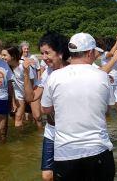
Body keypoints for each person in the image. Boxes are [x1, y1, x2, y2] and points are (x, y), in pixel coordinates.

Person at [41, 33, 115, 180]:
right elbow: (108, 108)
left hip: (65, 153)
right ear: (89, 52)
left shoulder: (54, 77)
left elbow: (45, 109)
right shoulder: (102, 76)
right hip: (98, 150)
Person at [23, 33, 70, 181]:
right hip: (51, 129)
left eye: (47, 53)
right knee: (47, 175)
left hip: (70, 131)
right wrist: (25, 73)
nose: (44, 57)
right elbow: (31, 97)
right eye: (42, 53)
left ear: (60, 53)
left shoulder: (73, 70)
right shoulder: (47, 73)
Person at [1, 46, 40, 128]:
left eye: (4, 55)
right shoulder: (6, 66)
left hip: (32, 90)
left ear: (13, 56)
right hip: (19, 92)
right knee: (18, 116)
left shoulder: (24, 66)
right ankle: (19, 137)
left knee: (37, 117)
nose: (2, 57)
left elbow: (32, 82)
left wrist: (29, 98)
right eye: (2, 55)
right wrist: (13, 101)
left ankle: (40, 132)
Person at [100, 34, 117, 114]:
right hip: (108, 81)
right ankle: (108, 123)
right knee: (108, 105)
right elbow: (111, 54)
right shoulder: (105, 54)